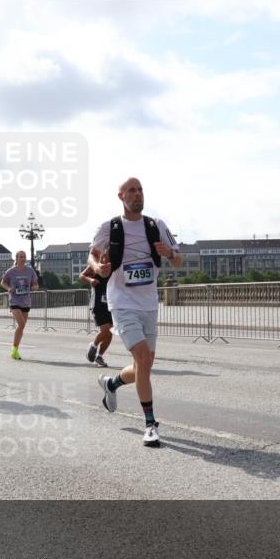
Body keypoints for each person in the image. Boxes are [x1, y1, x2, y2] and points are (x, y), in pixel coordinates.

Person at [89, 177, 181, 446]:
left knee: (145, 364)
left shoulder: (156, 225)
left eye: (140, 190)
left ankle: (112, 383)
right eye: (132, 190)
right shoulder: (110, 227)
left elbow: (178, 261)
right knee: (142, 357)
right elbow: (92, 254)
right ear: (121, 196)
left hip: (149, 304)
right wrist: (98, 268)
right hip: (122, 302)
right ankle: (150, 424)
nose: (137, 194)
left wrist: (169, 253)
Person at [0, 251, 40, 360]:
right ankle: (14, 349)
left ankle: (15, 350)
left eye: (24, 257)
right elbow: (2, 282)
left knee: (21, 327)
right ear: (16, 259)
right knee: (21, 324)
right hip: (14, 301)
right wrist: (8, 288)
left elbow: (36, 284)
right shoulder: (11, 271)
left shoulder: (30, 270)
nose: (23, 258)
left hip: (26, 301)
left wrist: (35, 287)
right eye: (20, 257)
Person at [78, 255, 112, 367]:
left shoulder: (114, 265)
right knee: (105, 330)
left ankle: (99, 357)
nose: (106, 258)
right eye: (104, 256)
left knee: (110, 332)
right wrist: (90, 280)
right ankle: (93, 345)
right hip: (97, 304)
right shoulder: (94, 265)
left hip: (110, 304)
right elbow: (81, 276)